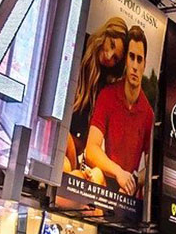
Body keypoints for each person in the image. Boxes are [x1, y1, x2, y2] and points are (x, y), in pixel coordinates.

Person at [83, 25, 156, 197]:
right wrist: (118, 173)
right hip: (102, 184)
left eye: (140, 59)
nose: (135, 66)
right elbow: (91, 149)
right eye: (132, 57)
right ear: (125, 61)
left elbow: (152, 164)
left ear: (144, 64)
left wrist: (134, 180)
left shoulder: (148, 113)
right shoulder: (108, 95)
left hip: (129, 197)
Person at [62, 16, 128, 173]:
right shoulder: (77, 44)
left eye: (116, 58)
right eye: (111, 45)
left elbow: (83, 141)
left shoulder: (103, 87)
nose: (109, 55)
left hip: (68, 153)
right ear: (105, 33)